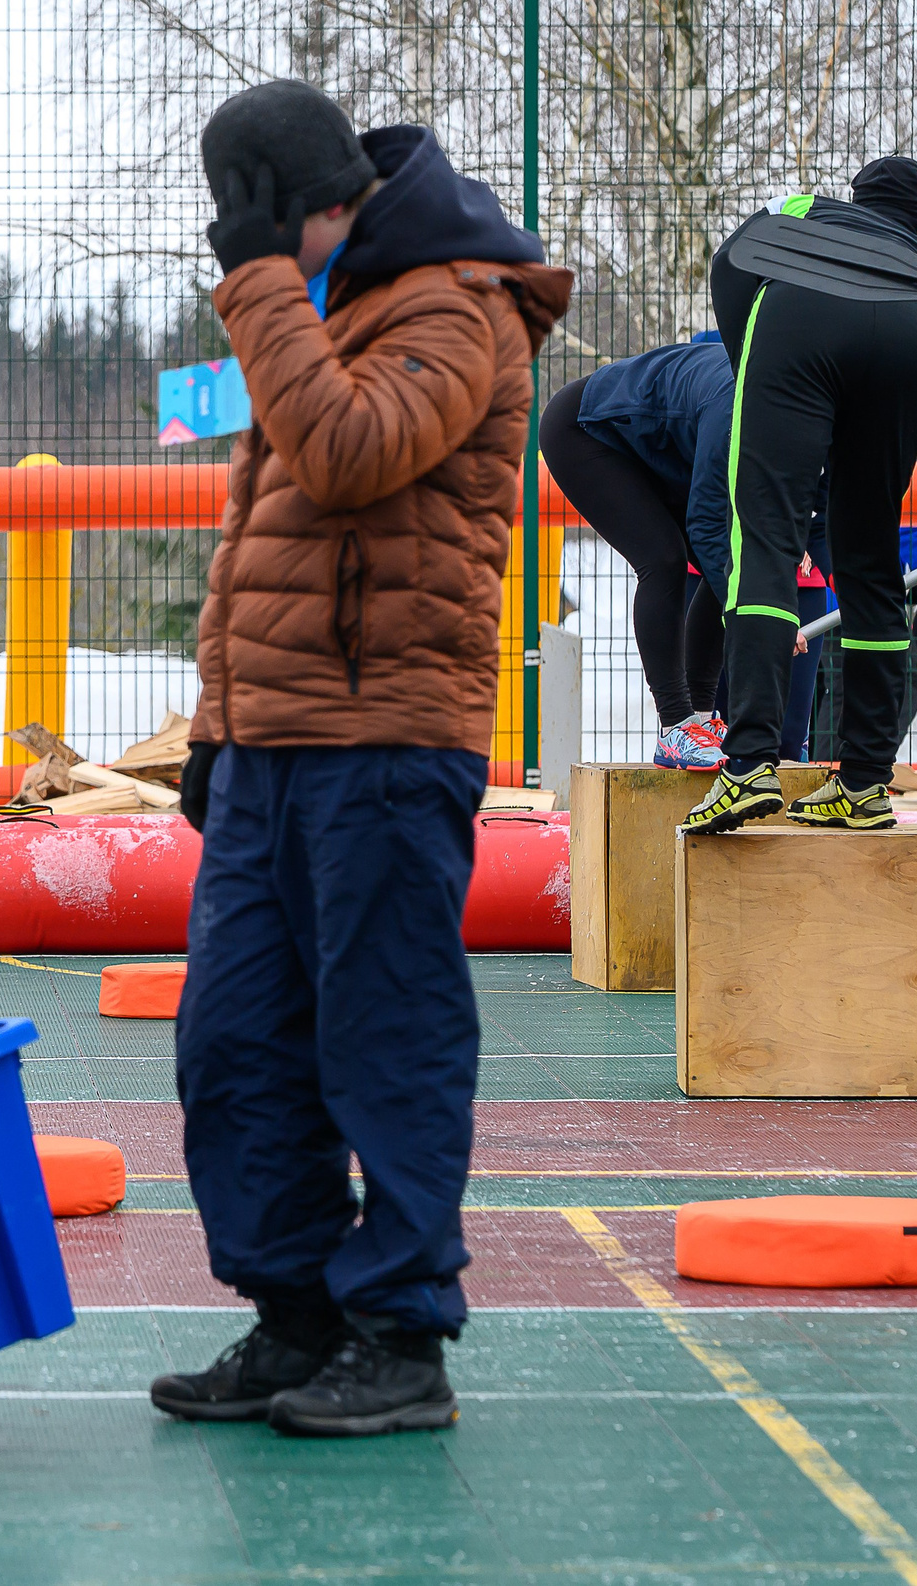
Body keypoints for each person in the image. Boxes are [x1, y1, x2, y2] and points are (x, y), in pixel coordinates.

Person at [152, 80, 571, 1437]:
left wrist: (265, 287)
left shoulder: (460, 305)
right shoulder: (327, 304)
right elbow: (259, 544)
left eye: (248, 224)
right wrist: (219, 727)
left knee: (382, 1031)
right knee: (236, 1040)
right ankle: (295, 1315)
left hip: (389, 739)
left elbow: (342, 458)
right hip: (278, 742)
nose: (236, 249)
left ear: (305, 210)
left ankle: (401, 1333)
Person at [684, 156, 917, 832]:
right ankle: (866, 780)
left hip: (795, 327)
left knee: (767, 543)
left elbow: (730, 265)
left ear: (855, 201)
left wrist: (751, 366)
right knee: (871, 558)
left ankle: (750, 765)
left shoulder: (801, 212)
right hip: (905, 334)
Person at [540, 338, 831, 769]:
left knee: (737, 560)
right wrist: (759, 619)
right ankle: (675, 725)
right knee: (665, 559)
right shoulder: (737, 408)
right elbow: (707, 527)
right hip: (586, 433)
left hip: (660, 449)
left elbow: (816, 516)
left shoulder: (817, 419)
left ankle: (702, 717)